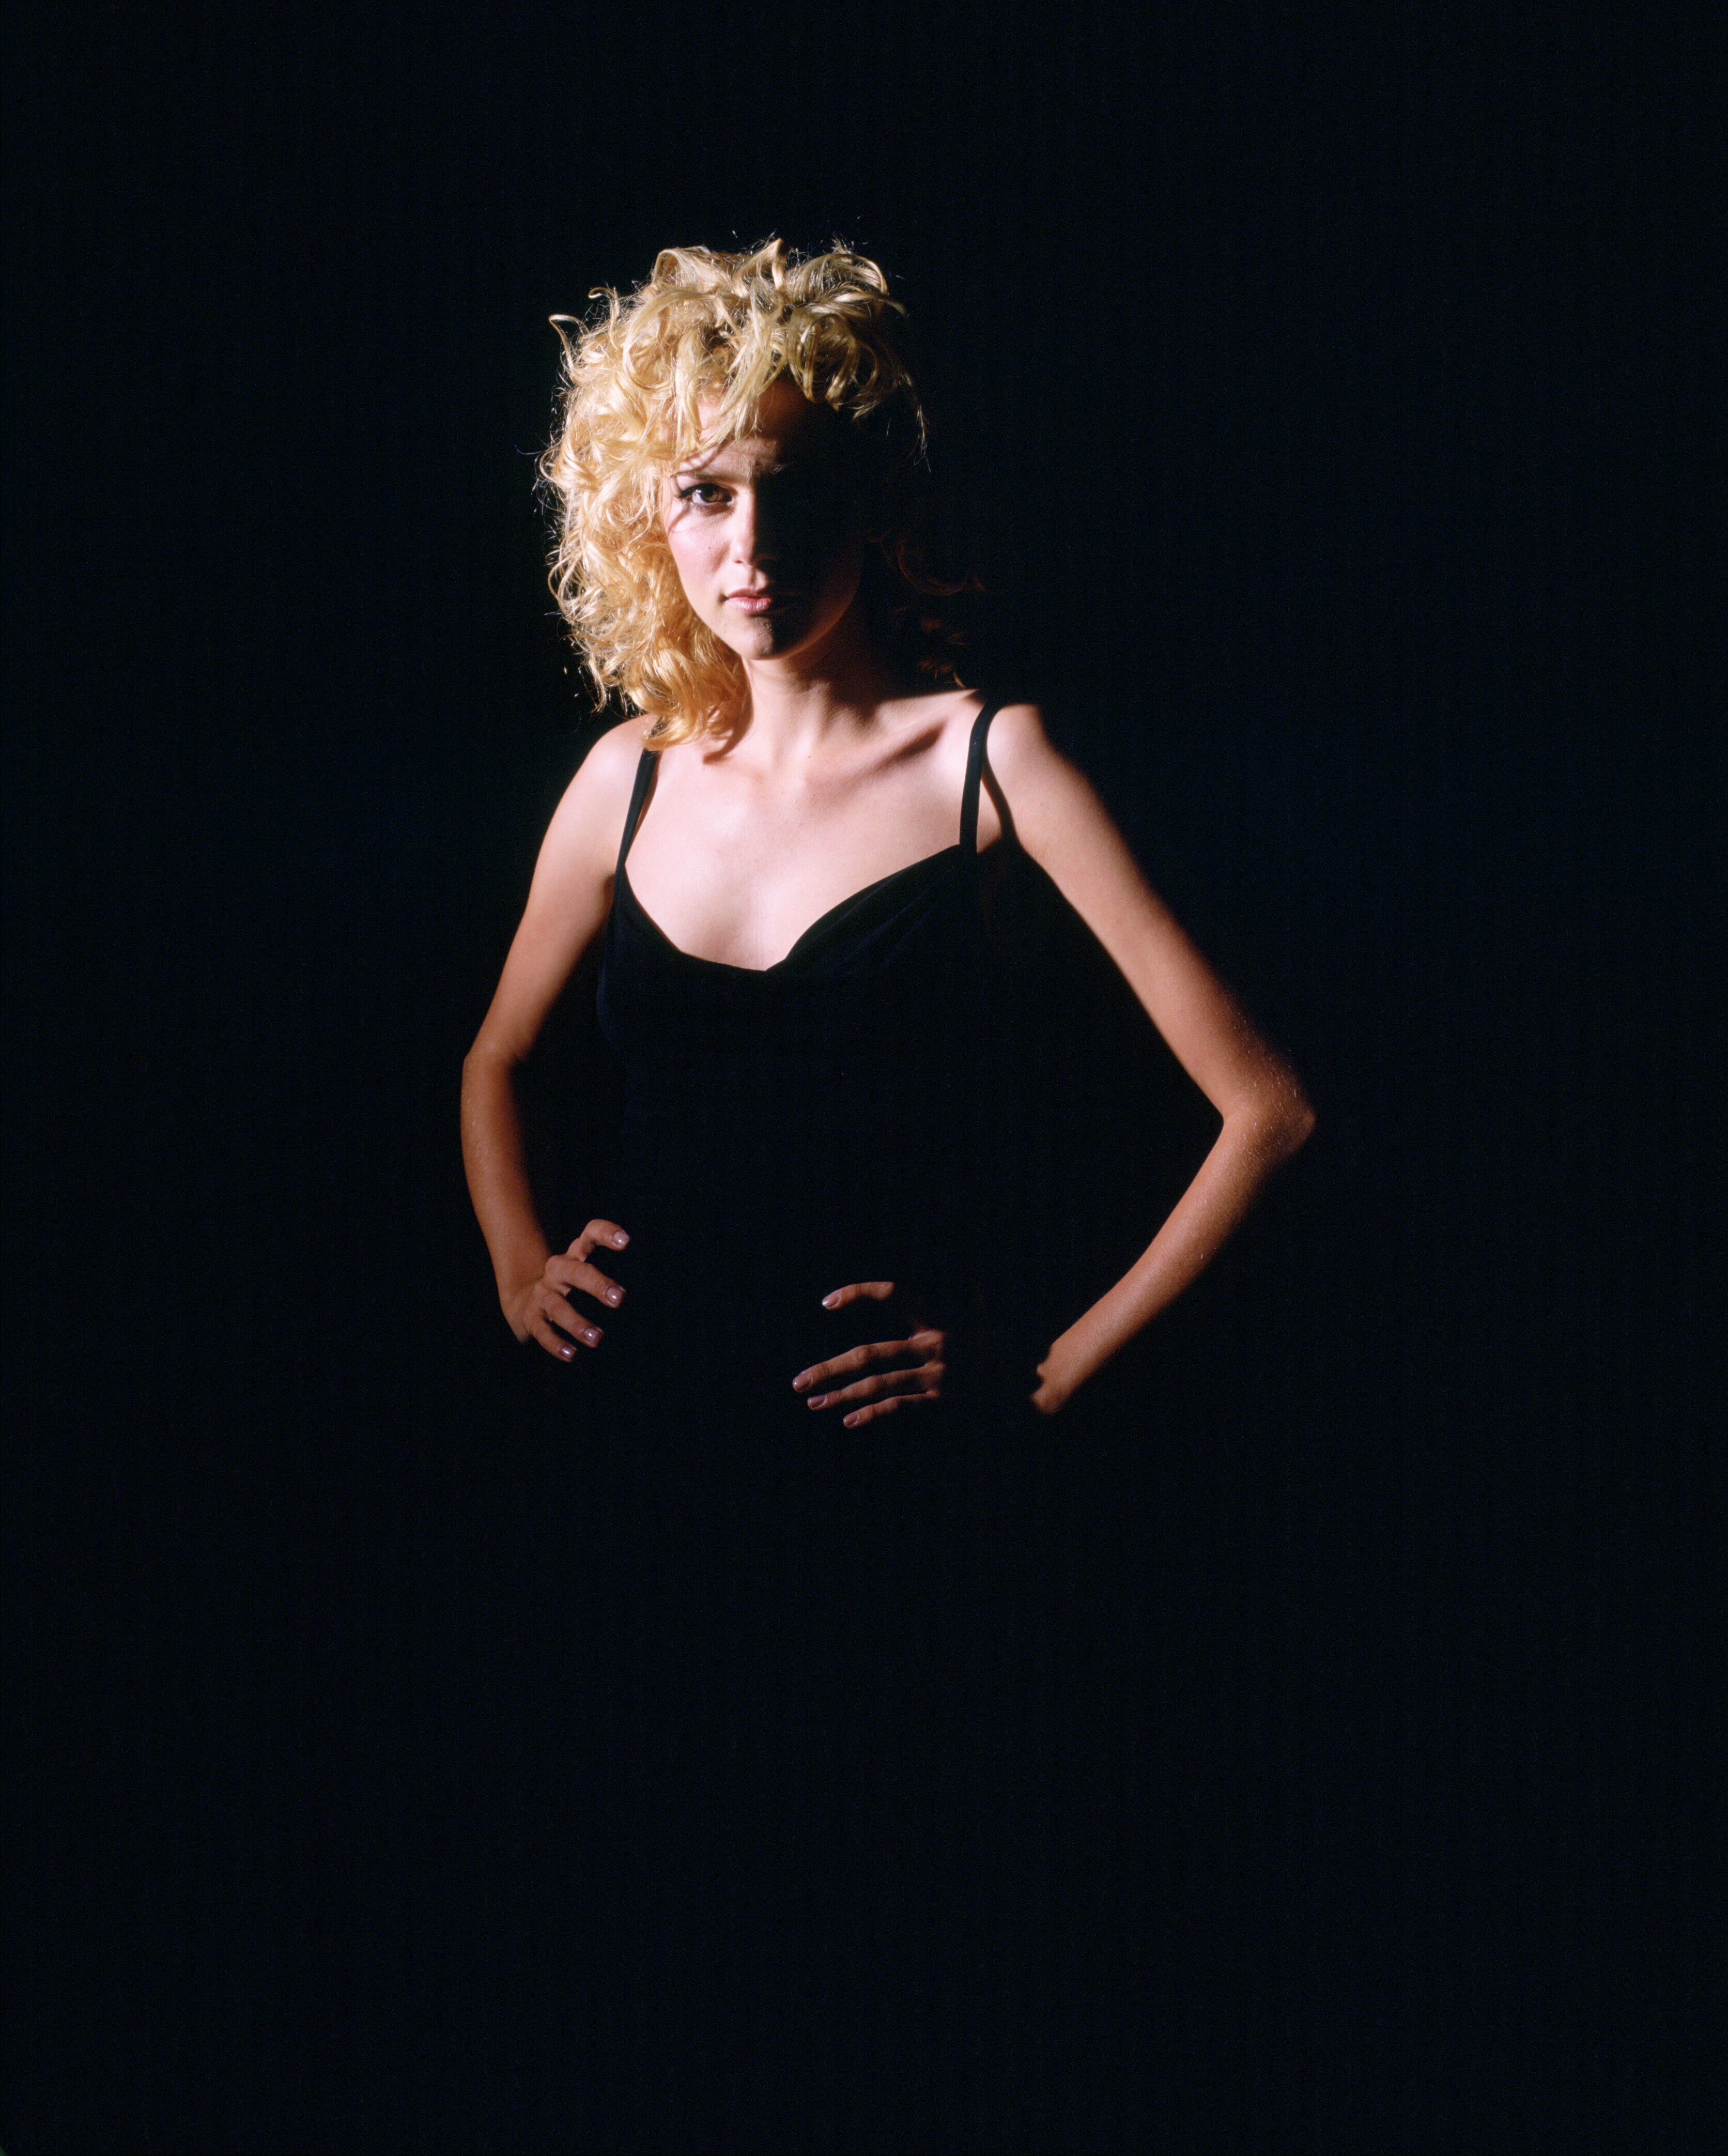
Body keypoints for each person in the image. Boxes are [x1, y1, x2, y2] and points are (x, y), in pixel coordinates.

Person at [458, 237, 1314, 2140]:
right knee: (638, 1983)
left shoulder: (997, 763)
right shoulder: (625, 780)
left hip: (896, 1508)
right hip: (632, 1480)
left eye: (792, 487)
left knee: (894, 1989)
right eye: (703, 492)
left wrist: (1040, 1377)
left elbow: (1269, 1113)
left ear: (876, 501)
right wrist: (520, 1258)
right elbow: (490, 1058)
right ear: (648, 516)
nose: (748, 541)